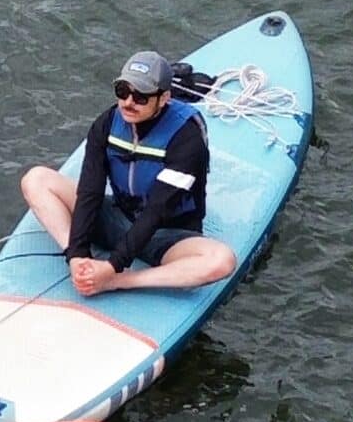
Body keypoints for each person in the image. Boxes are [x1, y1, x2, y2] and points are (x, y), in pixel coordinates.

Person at [20, 50, 238, 296]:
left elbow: (157, 210)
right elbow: (90, 191)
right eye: (122, 91)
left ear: (164, 98)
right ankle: (78, 259)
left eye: (141, 97)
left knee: (222, 260)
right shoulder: (106, 123)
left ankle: (122, 281)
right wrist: (77, 254)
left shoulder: (187, 137)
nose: (128, 102)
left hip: (166, 234)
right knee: (36, 179)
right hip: (118, 216)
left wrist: (112, 267)